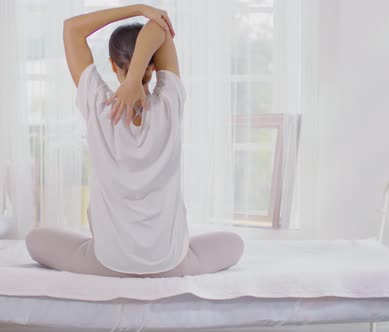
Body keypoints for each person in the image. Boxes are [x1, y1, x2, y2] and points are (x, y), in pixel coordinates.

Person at [25, 4, 244, 278]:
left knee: (35, 239)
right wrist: (138, 69)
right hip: (172, 264)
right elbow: (160, 26)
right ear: (153, 64)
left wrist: (138, 9)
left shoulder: (99, 106)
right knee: (235, 244)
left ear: (113, 65)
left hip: (107, 263)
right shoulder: (170, 104)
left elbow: (71, 28)